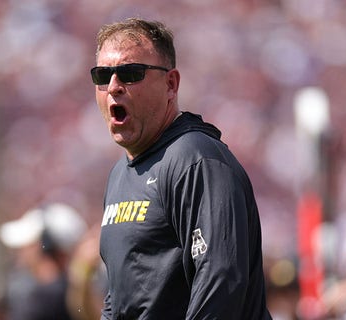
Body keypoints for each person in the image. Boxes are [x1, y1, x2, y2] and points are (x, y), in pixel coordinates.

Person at [90, 18, 272, 319]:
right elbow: (119, 298)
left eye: (130, 73)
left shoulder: (195, 158)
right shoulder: (119, 174)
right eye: (102, 75)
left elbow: (220, 278)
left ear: (170, 84)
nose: (113, 87)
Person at [0, 203, 88, 320]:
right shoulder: (75, 291)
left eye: (31, 243)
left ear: (47, 247)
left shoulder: (43, 298)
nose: (21, 251)